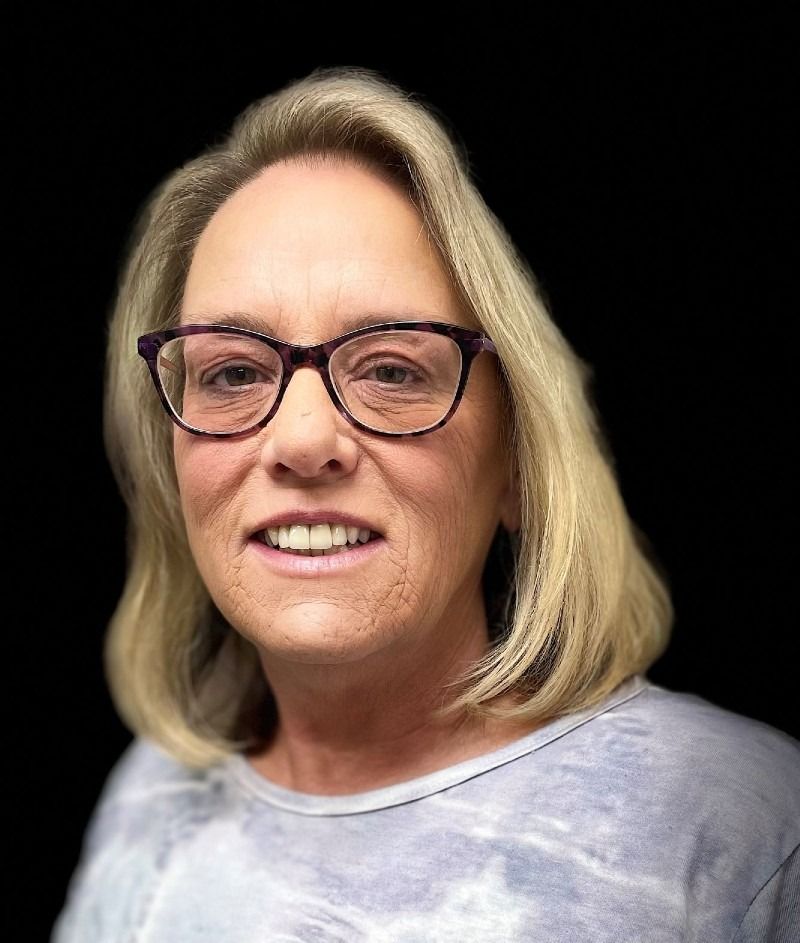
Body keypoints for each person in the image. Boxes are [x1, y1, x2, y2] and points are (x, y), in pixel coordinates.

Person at [52, 65, 798, 942]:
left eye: (393, 369)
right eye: (233, 372)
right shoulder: (153, 797)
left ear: (520, 462)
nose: (300, 440)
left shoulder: (740, 820)